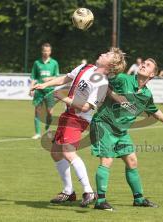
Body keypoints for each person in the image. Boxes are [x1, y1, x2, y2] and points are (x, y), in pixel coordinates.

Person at [32, 47, 126, 207]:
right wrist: (44, 84)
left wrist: (64, 98)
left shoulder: (102, 83)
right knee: (55, 152)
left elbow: (86, 107)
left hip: (78, 118)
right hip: (67, 115)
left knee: (68, 153)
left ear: (110, 65)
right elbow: (66, 79)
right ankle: (68, 192)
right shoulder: (85, 67)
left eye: (107, 54)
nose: (102, 53)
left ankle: (88, 191)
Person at [90, 59, 163, 211]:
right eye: (143, 63)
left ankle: (139, 199)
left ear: (152, 74)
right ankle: (100, 201)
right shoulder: (124, 79)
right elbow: (103, 77)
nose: (143, 65)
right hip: (104, 124)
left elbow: (154, 110)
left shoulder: (146, 94)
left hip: (121, 130)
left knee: (132, 161)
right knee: (107, 160)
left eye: (147, 65)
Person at [29, 43, 60, 139]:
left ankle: (47, 125)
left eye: (48, 51)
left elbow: (57, 76)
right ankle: (37, 133)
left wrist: (49, 78)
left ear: (50, 52)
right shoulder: (37, 63)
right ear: (42, 51)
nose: (46, 52)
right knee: (37, 111)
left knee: (50, 113)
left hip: (50, 90)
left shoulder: (54, 63)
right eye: (44, 51)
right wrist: (31, 88)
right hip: (39, 90)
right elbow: (33, 77)